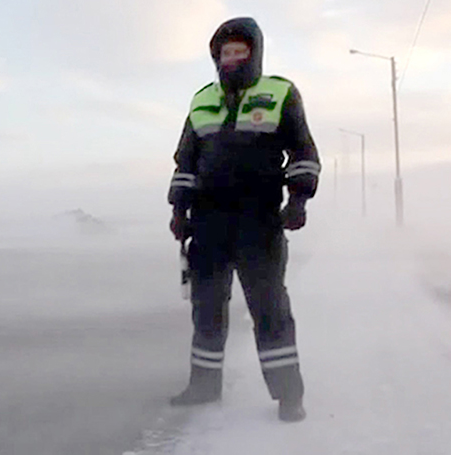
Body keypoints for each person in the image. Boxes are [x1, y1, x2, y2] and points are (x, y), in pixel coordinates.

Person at [166, 17, 321, 423]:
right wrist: (178, 211)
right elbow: (186, 159)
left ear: (254, 54)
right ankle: (203, 385)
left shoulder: (280, 92)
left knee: (270, 310)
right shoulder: (201, 99)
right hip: (208, 223)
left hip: (260, 222)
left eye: (240, 52)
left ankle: (289, 396)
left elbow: (303, 151)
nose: (231, 59)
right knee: (207, 310)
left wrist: (298, 200)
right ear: (216, 57)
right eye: (224, 53)